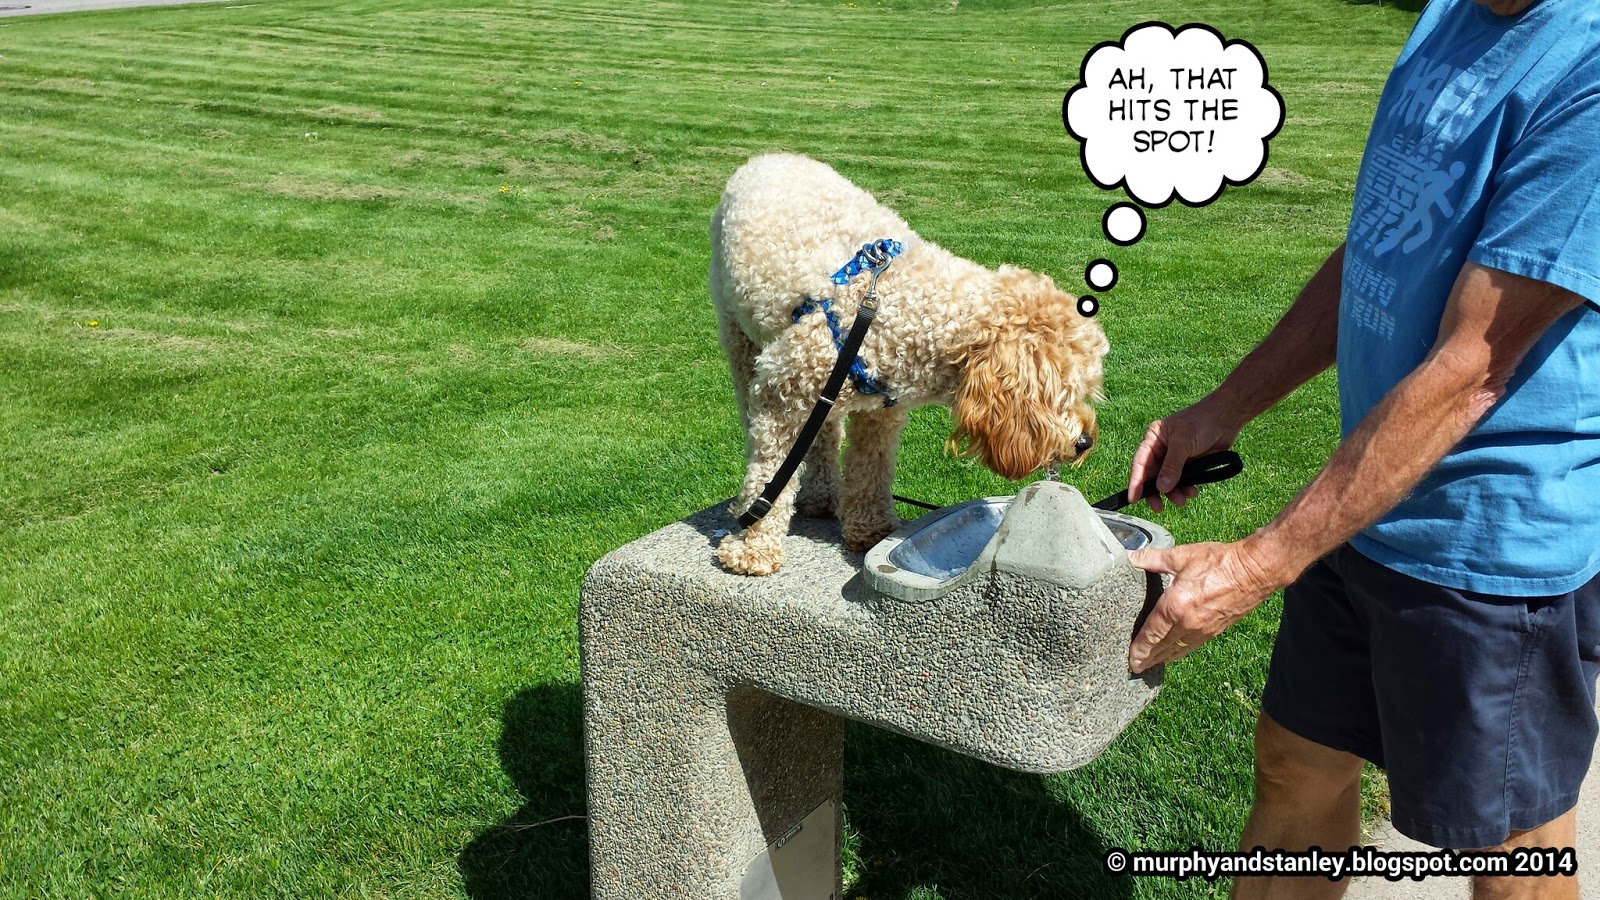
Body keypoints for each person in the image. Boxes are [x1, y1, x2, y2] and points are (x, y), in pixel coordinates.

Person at [1122, 0, 1600, 897]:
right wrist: (1225, 407)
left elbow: (1475, 364)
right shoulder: (1450, 14)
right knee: (1293, 765)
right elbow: (1378, 248)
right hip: (1362, 502)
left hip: (1487, 541)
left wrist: (1257, 565)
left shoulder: (1588, 65)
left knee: (1511, 850)